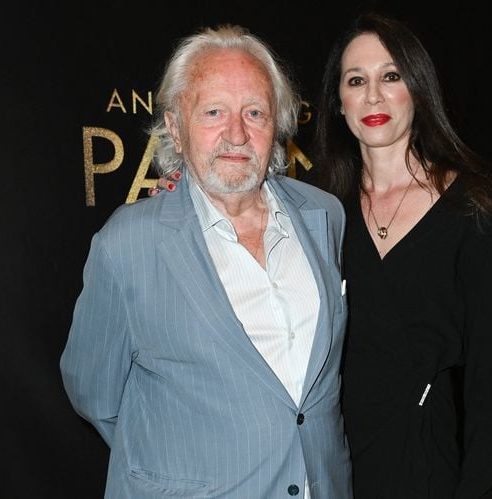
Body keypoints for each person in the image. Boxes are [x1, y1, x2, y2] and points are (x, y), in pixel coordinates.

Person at [60, 24, 352, 499]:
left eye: (254, 112)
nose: (236, 134)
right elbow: (94, 395)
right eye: (213, 111)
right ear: (175, 124)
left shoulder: (324, 215)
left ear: (276, 123)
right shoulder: (128, 244)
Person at [311, 12, 492, 499]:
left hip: (425, 463)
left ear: (419, 89)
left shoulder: (481, 205)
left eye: (391, 76)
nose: (373, 96)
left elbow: (490, 379)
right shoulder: (315, 210)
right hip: (328, 463)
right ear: (337, 102)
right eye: (356, 80)